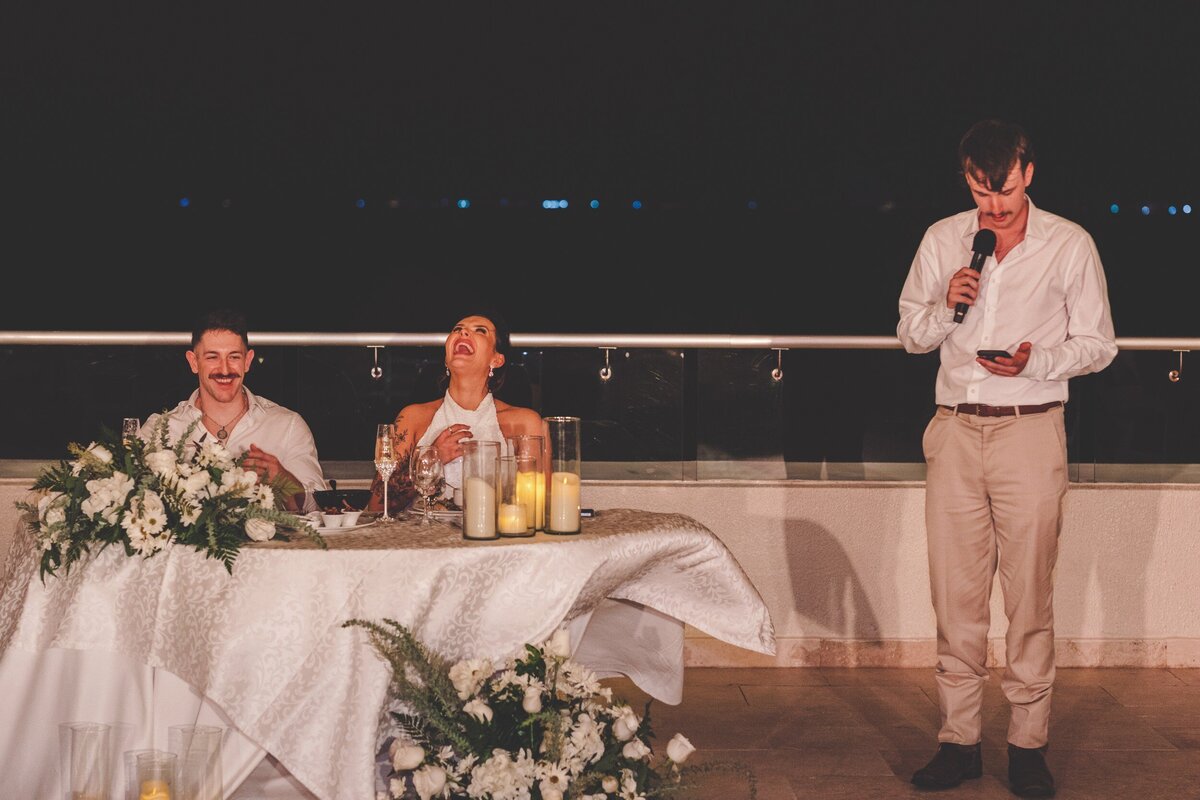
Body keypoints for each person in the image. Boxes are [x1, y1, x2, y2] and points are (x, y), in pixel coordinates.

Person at [897, 120, 1117, 798]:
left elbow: (1100, 343)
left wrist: (1037, 361)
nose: (993, 207)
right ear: (967, 180)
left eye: (1005, 191)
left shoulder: (1070, 244)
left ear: (1029, 172)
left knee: (1029, 599)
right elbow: (910, 332)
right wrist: (945, 306)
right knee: (955, 600)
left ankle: (1028, 746)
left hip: (1030, 430)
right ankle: (959, 742)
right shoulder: (943, 239)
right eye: (980, 194)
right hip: (957, 431)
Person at [139, 308, 328, 513]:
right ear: (194, 362)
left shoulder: (287, 425)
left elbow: (318, 511)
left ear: (247, 361)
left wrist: (284, 481)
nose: (225, 369)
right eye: (213, 357)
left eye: (234, 357)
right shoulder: (160, 428)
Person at [368, 309, 548, 516]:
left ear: (496, 360)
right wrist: (431, 461)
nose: (463, 333)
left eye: (480, 331)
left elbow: (538, 511)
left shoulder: (524, 423)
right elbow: (377, 507)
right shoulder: (413, 418)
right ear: (446, 358)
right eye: (457, 330)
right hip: (422, 540)